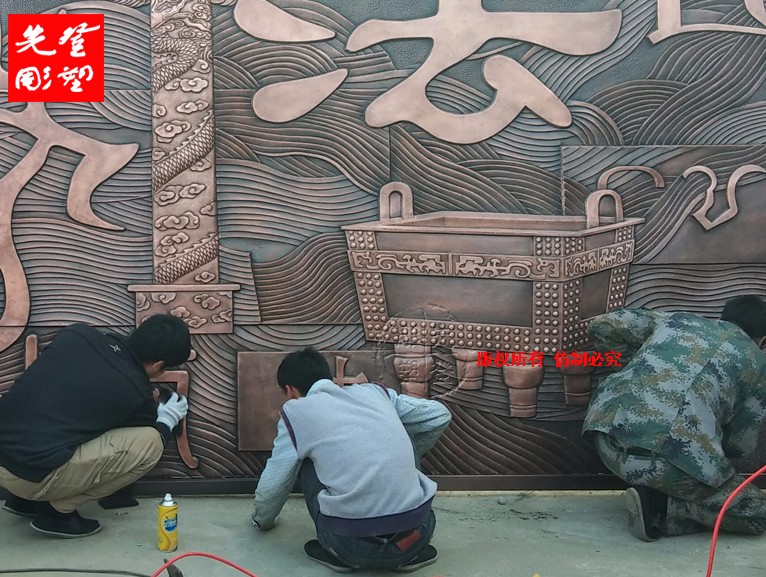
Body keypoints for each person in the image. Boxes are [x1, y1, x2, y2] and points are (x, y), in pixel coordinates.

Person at [582, 295, 766, 542]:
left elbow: (603, 326)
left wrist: (636, 366)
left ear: (724, 316)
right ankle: (660, 509)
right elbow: (739, 446)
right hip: (669, 464)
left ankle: (656, 490)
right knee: (758, 514)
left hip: (606, 439)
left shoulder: (678, 320)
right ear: (762, 340)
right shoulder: (758, 363)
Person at [252, 347, 452, 573]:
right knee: (401, 436)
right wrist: (406, 457)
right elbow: (438, 416)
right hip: (417, 536)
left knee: (303, 460)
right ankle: (405, 555)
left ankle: (336, 554)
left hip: (348, 546)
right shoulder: (376, 393)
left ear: (289, 390)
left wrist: (262, 520)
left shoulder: (296, 412)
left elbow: (276, 481)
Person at [0, 314, 191, 538]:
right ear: (158, 364)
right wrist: (166, 419)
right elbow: (138, 435)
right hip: (30, 477)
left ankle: (23, 501)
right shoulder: (136, 391)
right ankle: (55, 513)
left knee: (62, 422)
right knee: (150, 443)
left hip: (5, 455)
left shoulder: (76, 334)